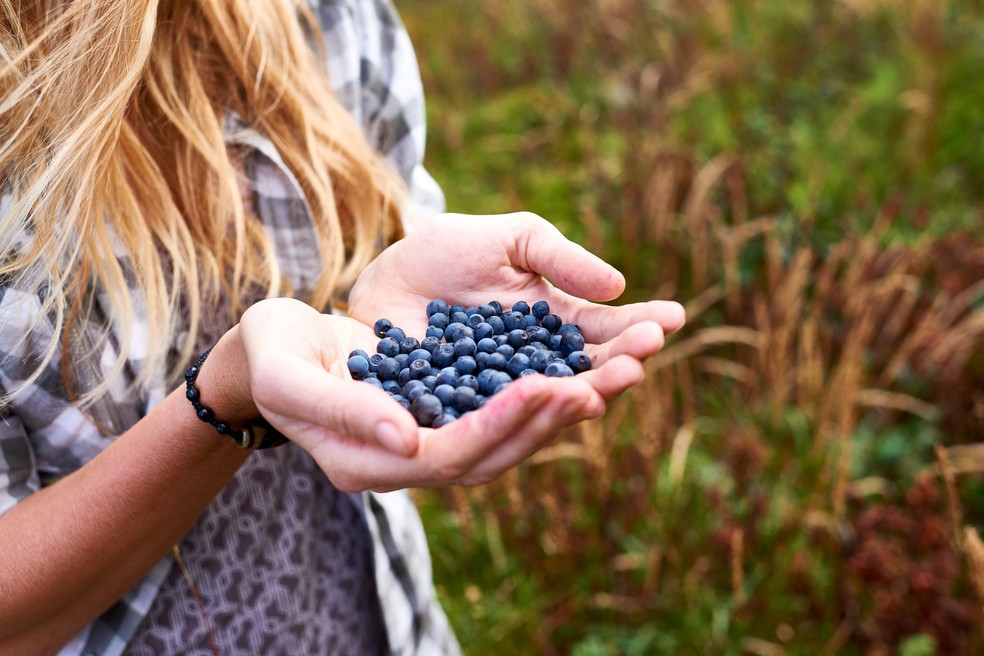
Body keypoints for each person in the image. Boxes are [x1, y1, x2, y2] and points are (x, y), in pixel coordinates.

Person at [0, 0, 685, 654]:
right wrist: (221, 400)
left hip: (383, 617)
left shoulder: (328, 15)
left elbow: (391, 259)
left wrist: (399, 268)